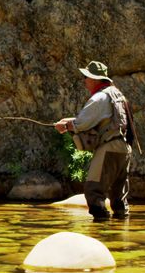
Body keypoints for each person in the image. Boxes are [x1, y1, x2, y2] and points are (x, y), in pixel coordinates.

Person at [54, 61, 137, 221]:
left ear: (95, 79)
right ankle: (121, 235)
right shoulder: (117, 94)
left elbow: (82, 123)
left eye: (86, 77)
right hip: (123, 149)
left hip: (109, 148)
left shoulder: (100, 97)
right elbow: (103, 119)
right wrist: (71, 121)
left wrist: (66, 125)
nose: (85, 81)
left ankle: (101, 231)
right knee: (119, 197)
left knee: (93, 190)